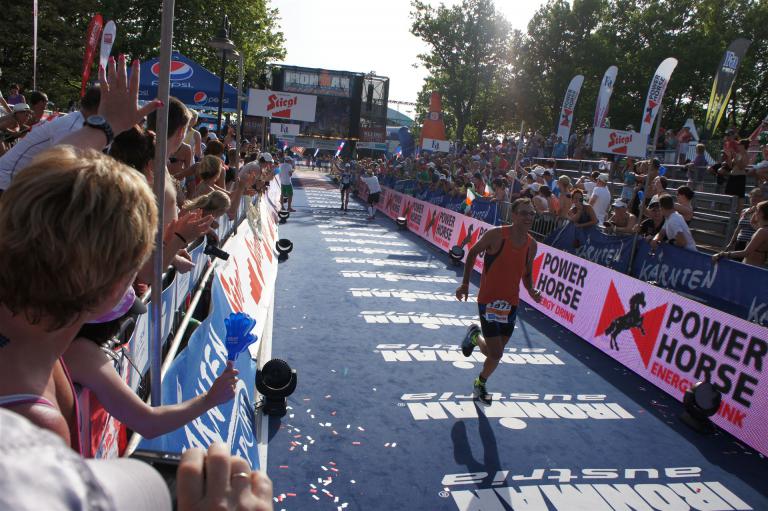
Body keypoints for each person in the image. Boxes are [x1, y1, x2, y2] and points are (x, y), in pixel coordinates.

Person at [455, 198, 542, 405]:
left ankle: (480, 379)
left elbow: (526, 273)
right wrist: (465, 283)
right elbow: (473, 253)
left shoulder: (532, 245)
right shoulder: (496, 235)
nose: (528, 217)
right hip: (489, 300)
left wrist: (531, 289)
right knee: (496, 352)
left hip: (511, 303)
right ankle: (475, 339)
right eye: (524, 213)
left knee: (495, 354)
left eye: (531, 213)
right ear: (514, 215)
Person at [0, 86, 100, 192]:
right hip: (8, 180)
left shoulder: (74, 122)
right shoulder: (71, 126)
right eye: (24, 113)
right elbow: (61, 171)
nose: (27, 115)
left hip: (18, 179)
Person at [713, 200, 768, 268]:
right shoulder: (764, 229)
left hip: (751, 268)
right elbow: (752, 222)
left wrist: (722, 254)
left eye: (756, 210)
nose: (754, 212)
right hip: (754, 267)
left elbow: (745, 252)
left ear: (761, 213)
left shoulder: (762, 231)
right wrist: (756, 208)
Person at [726, 187, 764, 252]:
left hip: (752, 244)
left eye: (759, 196)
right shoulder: (744, 211)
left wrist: (753, 214)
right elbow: (738, 228)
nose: (756, 198)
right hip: (739, 242)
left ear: (762, 199)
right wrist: (731, 243)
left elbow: (761, 230)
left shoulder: (762, 212)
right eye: (754, 195)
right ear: (750, 197)